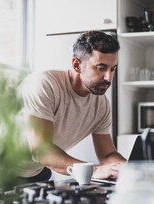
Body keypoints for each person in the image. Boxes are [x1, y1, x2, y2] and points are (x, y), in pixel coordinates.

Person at [18, 31, 126, 183]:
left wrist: (129, 171)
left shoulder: (101, 104)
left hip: (37, 173)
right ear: (76, 65)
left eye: (112, 69)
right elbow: (40, 151)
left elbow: (107, 154)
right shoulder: (45, 84)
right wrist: (94, 170)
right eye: (101, 68)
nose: (108, 77)